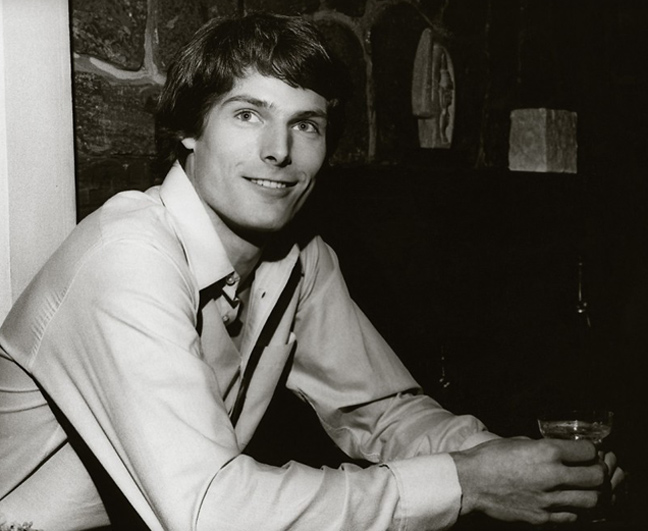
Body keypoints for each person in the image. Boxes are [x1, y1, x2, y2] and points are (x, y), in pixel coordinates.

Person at [0, 12, 622, 531]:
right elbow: (213, 512)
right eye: (248, 115)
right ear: (189, 130)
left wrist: (519, 466)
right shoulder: (127, 254)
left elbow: (381, 413)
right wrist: (465, 483)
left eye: (306, 124)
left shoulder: (301, 256)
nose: (280, 150)